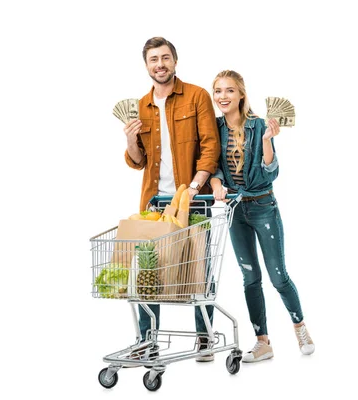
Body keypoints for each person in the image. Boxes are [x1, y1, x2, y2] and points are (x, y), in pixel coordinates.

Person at [122, 37, 220, 363]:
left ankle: (204, 337)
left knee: (198, 271)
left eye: (165, 58)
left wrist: (195, 186)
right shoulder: (140, 105)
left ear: (175, 61)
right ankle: (147, 340)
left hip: (193, 199)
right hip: (154, 204)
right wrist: (130, 139)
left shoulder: (197, 96)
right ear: (147, 65)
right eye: (154, 59)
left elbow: (210, 146)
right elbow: (138, 160)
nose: (160, 64)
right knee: (149, 274)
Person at [209, 70, 315, 363]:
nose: (223, 97)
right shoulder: (215, 127)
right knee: (250, 277)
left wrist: (268, 139)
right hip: (234, 210)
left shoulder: (257, 125)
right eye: (218, 91)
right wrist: (217, 184)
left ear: (241, 94)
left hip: (263, 206)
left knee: (278, 276)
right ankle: (262, 341)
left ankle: (300, 326)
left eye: (230, 90)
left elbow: (272, 171)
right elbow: (213, 164)